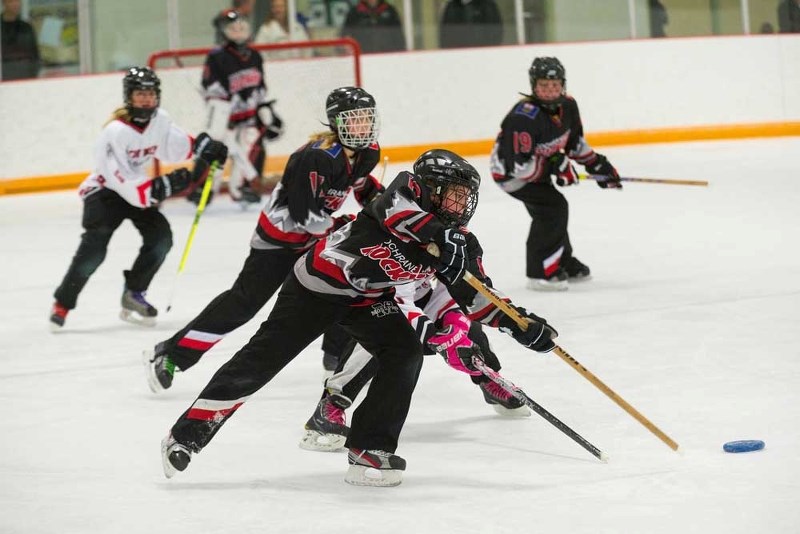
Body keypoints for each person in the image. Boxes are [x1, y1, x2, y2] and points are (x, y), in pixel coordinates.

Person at [158, 148, 558, 487]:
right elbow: (402, 220)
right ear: (429, 190)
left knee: (403, 353)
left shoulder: (458, 242)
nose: (460, 206)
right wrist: (441, 240)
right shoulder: (400, 198)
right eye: (453, 195)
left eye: (464, 197)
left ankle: (369, 450)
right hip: (315, 287)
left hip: (366, 297)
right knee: (261, 360)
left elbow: (476, 298)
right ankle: (186, 434)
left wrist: (522, 326)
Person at [143, 86, 385, 394]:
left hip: (313, 240)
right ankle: (171, 354)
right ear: (337, 123)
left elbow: (361, 184)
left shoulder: (368, 152)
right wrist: (344, 225)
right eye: (355, 120)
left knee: (345, 287)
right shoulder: (315, 157)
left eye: (366, 118)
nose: (362, 126)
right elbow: (304, 216)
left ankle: (335, 358)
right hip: (278, 240)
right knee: (243, 304)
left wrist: (380, 205)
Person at [49, 67, 228, 331]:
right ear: (129, 97)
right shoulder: (114, 132)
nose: (146, 99)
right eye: (140, 93)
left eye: (150, 94)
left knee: (161, 239)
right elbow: (123, 181)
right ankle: (63, 303)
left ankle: (134, 293)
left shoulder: (160, 120)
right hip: (105, 193)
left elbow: (178, 145)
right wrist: (162, 186)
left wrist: (205, 147)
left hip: (138, 190)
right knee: (94, 250)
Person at [300, 274, 531, 453]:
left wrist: (455, 326)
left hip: (420, 299)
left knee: (470, 328)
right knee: (376, 337)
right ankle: (332, 403)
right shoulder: (398, 230)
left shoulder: (451, 234)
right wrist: (437, 337)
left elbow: (457, 287)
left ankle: (488, 377)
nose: (460, 210)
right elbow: (398, 299)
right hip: (379, 302)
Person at [490, 57, 622, 292]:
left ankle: (561, 261)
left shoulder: (568, 106)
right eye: (544, 86)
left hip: (535, 170)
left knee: (552, 209)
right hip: (510, 175)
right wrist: (554, 166)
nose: (550, 91)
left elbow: (574, 143)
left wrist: (598, 166)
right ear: (533, 86)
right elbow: (517, 166)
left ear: (563, 84)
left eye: (555, 85)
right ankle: (539, 272)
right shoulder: (523, 116)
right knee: (552, 208)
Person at [192, 10, 283, 206]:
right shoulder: (217, 57)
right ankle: (202, 188)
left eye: (242, 26)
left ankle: (244, 187)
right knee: (214, 147)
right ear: (223, 31)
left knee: (255, 145)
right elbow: (211, 87)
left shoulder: (255, 55)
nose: (239, 31)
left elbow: (260, 86)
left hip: (248, 117)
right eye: (233, 28)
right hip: (225, 117)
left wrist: (265, 111)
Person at [341, 0, 405, 54]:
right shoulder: (354, 13)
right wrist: (347, 46)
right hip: (362, 59)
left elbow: (399, 40)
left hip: (387, 59)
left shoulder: (390, 11)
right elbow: (344, 37)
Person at [1, 0, 40, 81]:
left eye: (18, 1)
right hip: (3, 79)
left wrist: (32, 77)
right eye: (12, 1)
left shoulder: (26, 28)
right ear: (4, 3)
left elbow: (35, 55)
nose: (16, 4)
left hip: (24, 78)